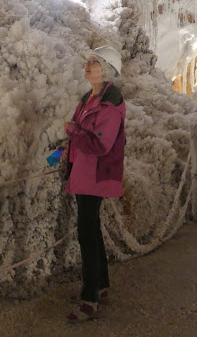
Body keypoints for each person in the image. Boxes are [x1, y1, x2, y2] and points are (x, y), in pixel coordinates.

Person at [62, 45, 125, 321]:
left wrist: (71, 130)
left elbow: (100, 144)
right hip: (82, 172)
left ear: (107, 70)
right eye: (87, 61)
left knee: (86, 233)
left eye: (94, 62)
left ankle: (90, 300)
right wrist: (57, 155)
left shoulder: (110, 104)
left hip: (95, 175)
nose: (87, 66)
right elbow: (77, 134)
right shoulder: (88, 98)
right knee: (92, 228)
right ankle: (100, 285)